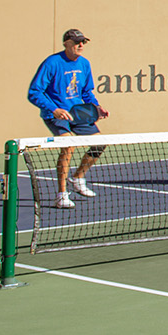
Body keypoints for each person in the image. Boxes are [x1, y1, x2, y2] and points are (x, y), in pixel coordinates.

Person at [27, 28, 107, 207]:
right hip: (56, 114)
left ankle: (78, 177)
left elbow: (86, 92)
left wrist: (97, 107)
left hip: (78, 113)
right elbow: (34, 92)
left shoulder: (84, 64)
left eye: (83, 42)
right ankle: (61, 195)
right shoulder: (52, 63)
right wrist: (54, 109)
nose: (81, 45)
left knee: (100, 143)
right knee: (68, 146)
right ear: (66, 43)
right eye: (77, 42)